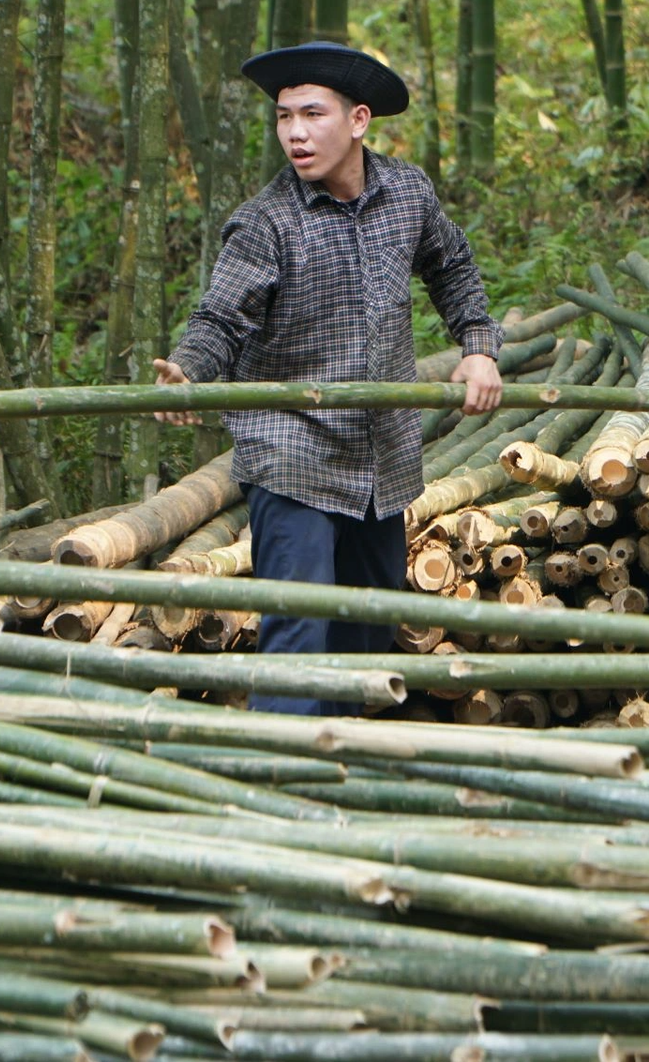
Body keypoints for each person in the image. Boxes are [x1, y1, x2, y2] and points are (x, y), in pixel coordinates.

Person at [154, 42, 505, 715]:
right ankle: (281, 785)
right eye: (284, 117)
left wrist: (478, 346)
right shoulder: (267, 223)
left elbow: (452, 266)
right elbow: (220, 318)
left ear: (359, 120)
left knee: (367, 634)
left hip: (381, 460)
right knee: (299, 633)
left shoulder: (407, 194)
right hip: (294, 458)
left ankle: (341, 779)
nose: (295, 132)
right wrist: (190, 371)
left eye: (312, 114)